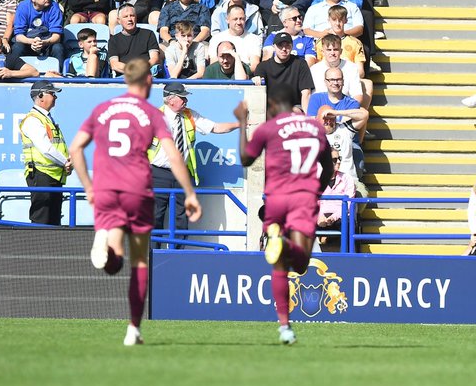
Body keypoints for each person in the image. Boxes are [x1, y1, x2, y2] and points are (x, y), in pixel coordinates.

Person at [69, 57, 201, 346]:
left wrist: (88, 186)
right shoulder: (152, 113)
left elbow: (75, 147)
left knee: (114, 262)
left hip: (105, 189)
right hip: (137, 189)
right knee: (140, 261)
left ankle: (105, 239)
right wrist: (190, 193)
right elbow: (174, 155)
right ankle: (133, 329)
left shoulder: (102, 109)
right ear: (149, 81)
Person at [235, 85, 333, 345]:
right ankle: (287, 244)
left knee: (279, 267)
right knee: (300, 265)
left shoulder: (269, 128)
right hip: (303, 198)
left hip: (276, 199)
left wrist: (243, 122)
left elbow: (245, 159)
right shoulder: (316, 129)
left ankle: (285, 327)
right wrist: (317, 191)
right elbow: (329, 168)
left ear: (273, 107)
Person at [149, 82, 239, 241]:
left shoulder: (190, 115)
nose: (186, 101)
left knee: (181, 217)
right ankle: (153, 255)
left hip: (182, 174)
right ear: (171, 100)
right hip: (158, 173)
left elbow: (216, 128)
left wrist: (240, 124)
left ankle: (178, 254)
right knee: (155, 215)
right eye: (182, 98)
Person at [19, 81, 72, 225]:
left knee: (53, 221)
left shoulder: (46, 118)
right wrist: (66, 162)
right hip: (41, 175)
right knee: (41, 220)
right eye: (52, 93)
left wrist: (66, 161)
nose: (55, 97)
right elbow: (46, 148)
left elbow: (55, 147)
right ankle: (34, 248)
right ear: (41, 96)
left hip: (52, 176)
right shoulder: (33, 120)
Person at [252, 31, 314, 112]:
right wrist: (256, 80)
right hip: (271, 107)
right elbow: (257, 91)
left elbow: (306, 92)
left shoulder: (300, 64)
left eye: (287, 45)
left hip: (294, 107)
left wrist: (307, 118)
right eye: (280, 45)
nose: (284, 49)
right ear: (274, 47)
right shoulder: (263, 66)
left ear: (292, 46)